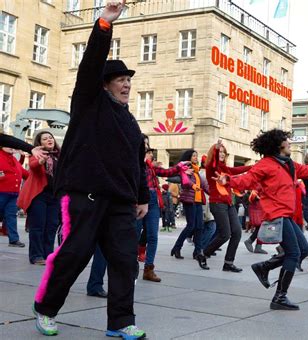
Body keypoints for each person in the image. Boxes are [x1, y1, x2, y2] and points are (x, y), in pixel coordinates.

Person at [32, 2, 149, 338]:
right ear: (104, 85)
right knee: (75, 253)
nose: (126, 85)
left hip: (121, 202)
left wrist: (141, 197)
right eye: (120, 80)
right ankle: (45, 308)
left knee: (125, 261)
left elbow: (136, 162)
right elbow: (91, 65)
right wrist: (104, 24)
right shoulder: (88, 102)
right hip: (85, 194)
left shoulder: (129, 122)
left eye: (128, 80)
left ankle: (120, 323)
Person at [214, 129, 308, 310]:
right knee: (294, 253)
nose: (290, 143)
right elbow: (248, 179)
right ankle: (279, 297)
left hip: (286, 214)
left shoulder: (289, 164)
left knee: (304, 249)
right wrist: (228, 180)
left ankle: (264, 267)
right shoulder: (266, 164)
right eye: (287, 141)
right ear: (279, 145)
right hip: (276, 214)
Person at [136, 148, 187, 283]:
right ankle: (132, 267)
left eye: (151, 153)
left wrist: (180, 166)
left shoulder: (151, 168)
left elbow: (167, 172)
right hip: (138, 200)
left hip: (153, 201)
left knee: (153, 236)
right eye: (147, 151)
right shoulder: (135, 165)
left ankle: (148, 269)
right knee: (134, 235)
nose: (151, 155)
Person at [203, 140, 251, 272]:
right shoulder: (211, 168)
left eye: (224, 152)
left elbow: (237, 169)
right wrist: (216, 149)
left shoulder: (225, 169)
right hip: (217, 204)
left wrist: (252, 167)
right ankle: (204, 254)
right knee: (225, 234)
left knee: (236, 233)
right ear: (214, 153)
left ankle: (228, 263)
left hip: (229, 204)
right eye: (220, 152)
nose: (222, 154)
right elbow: (213, 163)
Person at [18, 132, 61, 265]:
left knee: (52, 226)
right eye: (45, 138)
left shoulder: (59, 156)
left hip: (54, 196)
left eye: (50, 137)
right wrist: (41, 161)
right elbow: (33, 165)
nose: (49, 139)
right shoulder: (36, 154)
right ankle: (36, 256)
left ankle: (48, 255)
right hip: (39, 196)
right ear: (40, 143)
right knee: (38, 226)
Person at [170, 149, 209, 270]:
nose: (196, 158)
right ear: (188, 157)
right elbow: (186, 183)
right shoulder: (186, 170)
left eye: (196, 156)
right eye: (194, 156)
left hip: (197, 201)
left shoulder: (196, 171)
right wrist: (189, 176)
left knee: (200, 227)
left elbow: (204, 186)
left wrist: (213, 193)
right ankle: (177, 247)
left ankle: (198, 252)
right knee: (191, 226)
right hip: (189, 200)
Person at [0, 147, 29, 247]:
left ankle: (13, 240)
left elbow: (26, 174)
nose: (11, 147)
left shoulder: (13, 159)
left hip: (13, 194)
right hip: (1, 192)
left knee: (11, 216)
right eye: (8, 145)